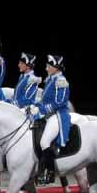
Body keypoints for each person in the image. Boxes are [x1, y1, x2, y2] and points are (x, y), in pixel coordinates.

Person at [29, 54, 70, 184]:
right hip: (49, 114)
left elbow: (60, 103)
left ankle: (50, 172)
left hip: (58, 115)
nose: (46, 69)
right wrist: (34, 106)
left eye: (48, 66)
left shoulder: (61, 81)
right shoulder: (50, 79)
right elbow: (44, 100)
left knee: (44, 142)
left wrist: (41, 110)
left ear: (56, 67)